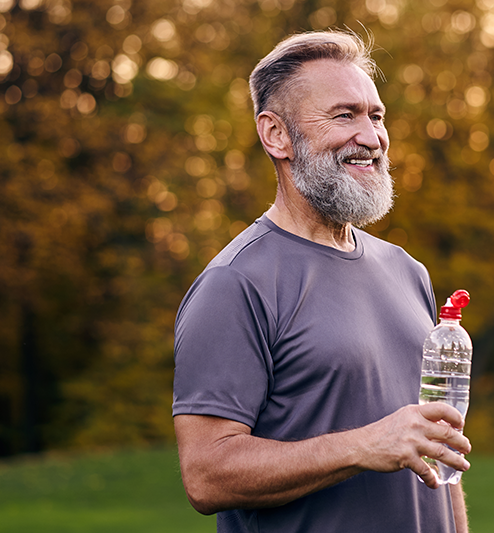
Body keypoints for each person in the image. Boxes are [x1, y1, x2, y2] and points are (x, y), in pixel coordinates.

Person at [172, 30, 471, 533]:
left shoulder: (407, 270)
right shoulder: (236, 283)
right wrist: (365, 445)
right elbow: (207, 476)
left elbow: (436, 451)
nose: (372, 137)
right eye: (344, 115)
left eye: (376, 116)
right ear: (276, 135)